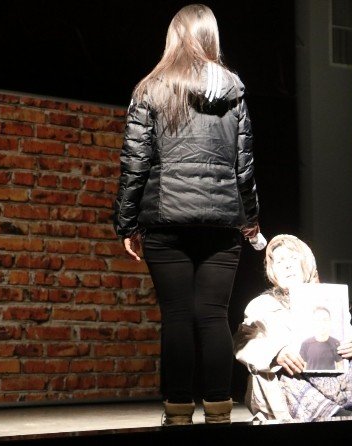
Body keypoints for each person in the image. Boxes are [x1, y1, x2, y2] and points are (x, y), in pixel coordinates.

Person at [112, 4, 261, 426]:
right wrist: (250, 218)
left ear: (174, 36)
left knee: (176, 316)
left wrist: (126, 223)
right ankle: (219, 411)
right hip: (222, 221)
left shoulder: (150, 88)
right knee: (214, 316)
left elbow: (135, 163)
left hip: (166, 218)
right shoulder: (234, 90)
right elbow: (245, 164)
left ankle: (178, 412)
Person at [233, 234, 352, 421]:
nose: (287, 265)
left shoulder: (329, 300)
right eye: (280, 261)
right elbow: (243, 344)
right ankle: (335, 414)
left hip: (331, 381)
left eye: (292, 258)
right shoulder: (261, 305)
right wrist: (276, 354)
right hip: (293, 384)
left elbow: (344, 340)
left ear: (305, 263)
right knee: (285, 372)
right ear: (273, 271)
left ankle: (343, 408)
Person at [299, 306, 344, 371]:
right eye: (318, 320)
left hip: (330, 377)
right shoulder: (305, 343)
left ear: (330, 322)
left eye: (325, 320)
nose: (322, 323)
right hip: (310, 377)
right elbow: (302, 369)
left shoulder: (336, 343)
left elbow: (340, 367)